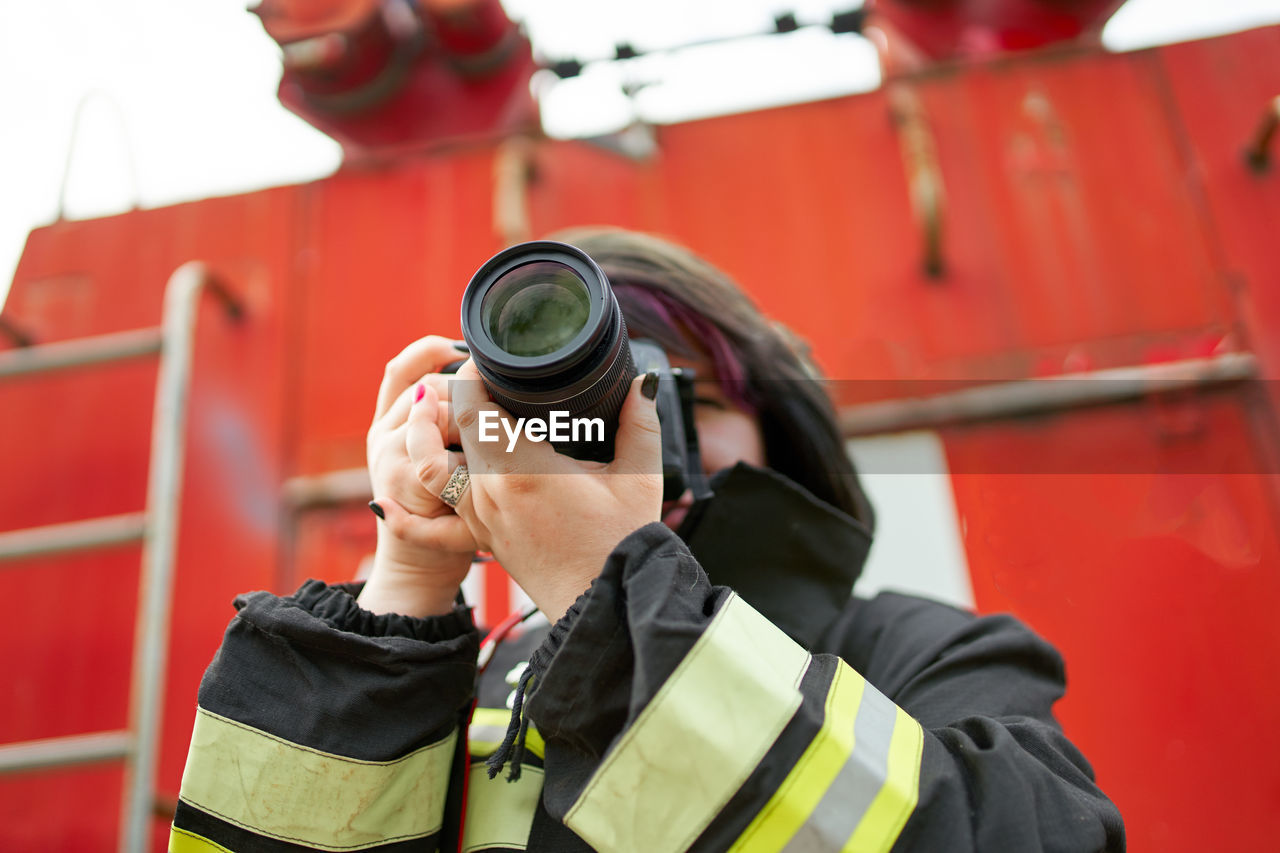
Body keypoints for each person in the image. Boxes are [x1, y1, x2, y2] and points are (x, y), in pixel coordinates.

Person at [169, 229, 1124, 852]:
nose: (637, 439)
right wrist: (406, 579)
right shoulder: (451, 678)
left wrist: (612, 588)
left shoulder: (925, 650)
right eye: (577, 413)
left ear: (777, 436)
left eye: (679, 401)